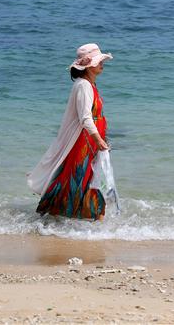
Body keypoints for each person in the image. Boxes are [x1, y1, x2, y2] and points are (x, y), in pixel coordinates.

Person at [27, 43, 113, 220]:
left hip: (89, 140)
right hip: (84, 141)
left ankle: (79, 217)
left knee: (88, 177)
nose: (102, 64)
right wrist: (98, 139)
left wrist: (101, 138)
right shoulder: (83, 86)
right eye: (99, 61)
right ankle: (84, 218)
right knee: (82, 177)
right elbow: (85, 118)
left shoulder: (89, 84)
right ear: (88, 66)